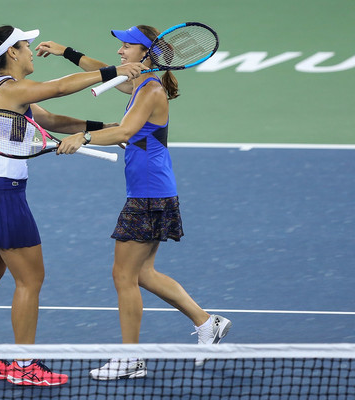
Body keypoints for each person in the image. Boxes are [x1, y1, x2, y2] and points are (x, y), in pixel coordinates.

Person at [36, 25, 232, 380]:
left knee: (123, 275)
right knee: (142, 273)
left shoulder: (150, 90)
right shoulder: (139, 82)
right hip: (152, 190)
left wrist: (85, 136)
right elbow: (102, 70)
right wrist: (67, 51)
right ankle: (208, 323)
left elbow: (124, 132)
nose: (120, 52)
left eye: (127, 46)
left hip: (148, 194)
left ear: (145, 53)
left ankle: (131, 359)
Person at [0, 25, 145, 386]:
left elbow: (50, 121)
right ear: (13, 53)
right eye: (25, 46)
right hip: (3, 195)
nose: (30, 52)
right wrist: (114, 71)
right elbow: (59, 87)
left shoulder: (5, 90)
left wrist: (101, 127)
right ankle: (24, 365)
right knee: (30, 279)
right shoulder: (15, 88)